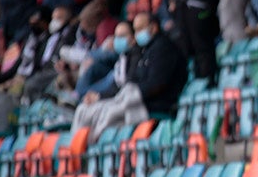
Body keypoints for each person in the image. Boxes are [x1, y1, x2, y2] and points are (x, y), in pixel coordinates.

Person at [72, 12, 188, 143]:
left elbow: (156, 84)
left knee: (109, 113)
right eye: (136, 29)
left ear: (154, 27)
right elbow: (131, 82)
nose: (137, 33)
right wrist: (104, 96)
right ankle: (78, 146)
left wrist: (129, 95)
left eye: (140, 29)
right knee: (84, 109)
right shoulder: (145, 50)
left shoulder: (163, 48)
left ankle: (92, 150)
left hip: (154, 105)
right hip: (139, 101)